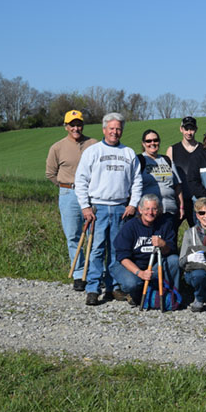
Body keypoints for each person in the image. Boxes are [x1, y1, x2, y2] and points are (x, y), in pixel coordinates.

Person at [74, 112, 142, 306]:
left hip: (121, 208)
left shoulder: (128, 153)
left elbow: (137, 181)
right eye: (111, 128)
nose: (115, 132)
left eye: (118, 128)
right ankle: (93, 288)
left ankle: (113, 287)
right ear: (104, 130)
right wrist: (85, 206)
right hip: (98, 208)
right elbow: (81, 180)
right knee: (96, 249)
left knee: (117, 250)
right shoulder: (93, 151)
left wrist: (133, 204)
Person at [45, 109, 97, 291]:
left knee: (94, 235)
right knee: (73, 236)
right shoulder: (57, 147)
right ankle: (78, 274)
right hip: (68, 194)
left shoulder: (93, 144)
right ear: (66, 126)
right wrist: (66, 186)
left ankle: (93, 274)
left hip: (91, 194)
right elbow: (50, 173)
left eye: (79, 124)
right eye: (72, 125)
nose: (76, 128)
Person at [110, 194, 179, 307]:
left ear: (159, 210)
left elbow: (170, 251)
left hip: (153, 266)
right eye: (147, 209)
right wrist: (140, 273)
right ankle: (136, 293)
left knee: (174, 260)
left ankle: (169, 295)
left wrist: (163, 245)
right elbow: (122, 257)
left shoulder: (165, 225)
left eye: (154, 209)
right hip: (130, 265)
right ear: (140, 210)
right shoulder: (130, 226)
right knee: (132, 283)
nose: (150, 212)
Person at [138, 129, 184, 235]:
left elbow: (177, 186)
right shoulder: (140, 160)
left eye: (155, 140)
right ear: (143, 143)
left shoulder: (167, 160)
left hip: (169, 211)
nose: (152, 143)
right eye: (149, 141)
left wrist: (181, 207)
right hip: (149, 213)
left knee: (169, 243)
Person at [166, 116, 200, 227]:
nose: (189, 132)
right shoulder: (172, 150)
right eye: (186, 129)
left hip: (198, 200)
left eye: (192, 129)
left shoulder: (203, 149)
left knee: (199, 235)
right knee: (171, 233)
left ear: (196, 129)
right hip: (178, 200)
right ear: (181, 129)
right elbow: (167, 177)